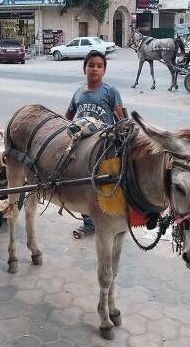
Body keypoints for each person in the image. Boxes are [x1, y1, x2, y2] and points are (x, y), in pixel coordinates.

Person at [65, 51, 124, 238]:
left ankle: (112, 218)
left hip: (104, 147)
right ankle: (89, 224)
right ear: (84, 69)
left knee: (107, 184)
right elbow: (67, 117)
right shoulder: (78, 93)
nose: (95, 69)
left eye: (99, 66)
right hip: (82, 149)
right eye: (91, 65)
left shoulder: (110, 92)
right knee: (83, 184)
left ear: (104, 70)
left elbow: (122, 119)